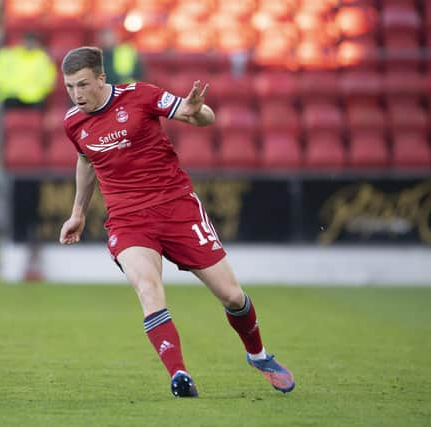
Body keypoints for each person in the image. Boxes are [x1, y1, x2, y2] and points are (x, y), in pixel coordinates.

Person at [58, 47, 295, 398]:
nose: (77, 95)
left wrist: (198, 112)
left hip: (177, 208)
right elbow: (85, 161)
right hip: (128, 221)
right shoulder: (73, 122)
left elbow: (198, 115)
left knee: (231, 296)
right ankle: (179, 375)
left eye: (83, 85)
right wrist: (78, 212)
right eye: (69, 87)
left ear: (101, 79)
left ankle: (258, 355)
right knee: (149, 291)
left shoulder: (140, 95)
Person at [0, 33, 57, 109]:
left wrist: (35, 92)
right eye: (28, 42)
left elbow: (49, 80)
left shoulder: (43, 58)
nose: (29, 45)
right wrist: (12, 90)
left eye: (32, 42)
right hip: (10, 96)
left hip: (35, 98)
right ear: (22, 42)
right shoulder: (7, 55)